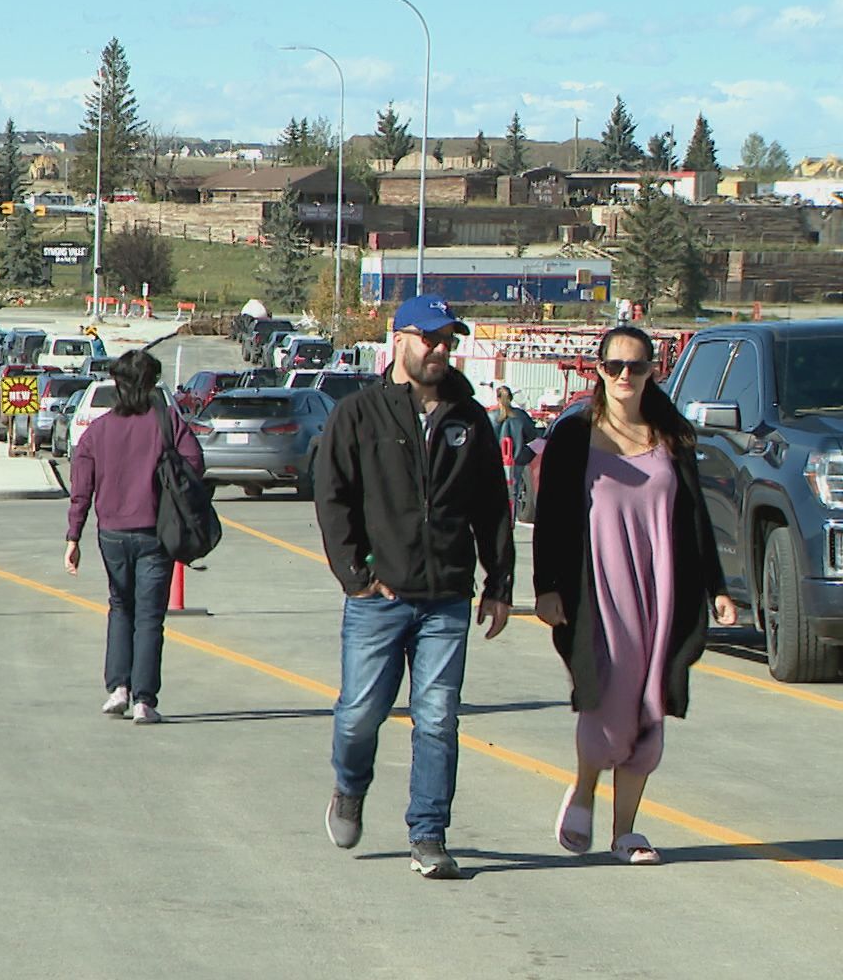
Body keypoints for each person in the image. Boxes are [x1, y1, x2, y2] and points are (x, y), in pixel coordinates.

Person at [312, 294, 515, 880]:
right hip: (379, 597)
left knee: (437, 718)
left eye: (449, 340)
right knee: (358, 715)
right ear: (398, 338)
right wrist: (356, 576)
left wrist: (498, 581)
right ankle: (350, 787)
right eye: (430, 338)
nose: (440, 350)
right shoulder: (359, 414)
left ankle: (428, 834)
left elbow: (492, 507)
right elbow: (333, 499)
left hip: (446, 597)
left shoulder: (468, 418)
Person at [533, 326, 738, 865]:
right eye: (615, 365)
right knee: (609, 692)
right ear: (598, 369)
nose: (626, 375)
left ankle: (626, 832)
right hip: (596, 586)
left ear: (653, 371)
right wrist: (546, 588)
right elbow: (551, 519)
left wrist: (717, 588)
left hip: (663, 587)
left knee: (652, 700)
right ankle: (583, 787)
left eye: (637, 366)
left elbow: (695, 518)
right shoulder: (574, 437)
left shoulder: (673, 436)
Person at [63, 350, 203, 725]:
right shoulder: (167, 421)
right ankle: (144, 699)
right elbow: (194, 465)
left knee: (120, 606)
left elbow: (81, 487)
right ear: (151, 384)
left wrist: (73, 536)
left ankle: (118, 688)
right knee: (149, 616)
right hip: (154, 532)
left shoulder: (99, 430)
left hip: (110, 533)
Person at [489, 385, 541, 513]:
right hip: (517, 459)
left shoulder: (490, 417)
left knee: (494, 491)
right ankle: (511, 517)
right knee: (514, 491)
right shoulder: (521, 416)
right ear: (511, 398)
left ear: (497, 398)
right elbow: (533, 436)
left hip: (495, 460)